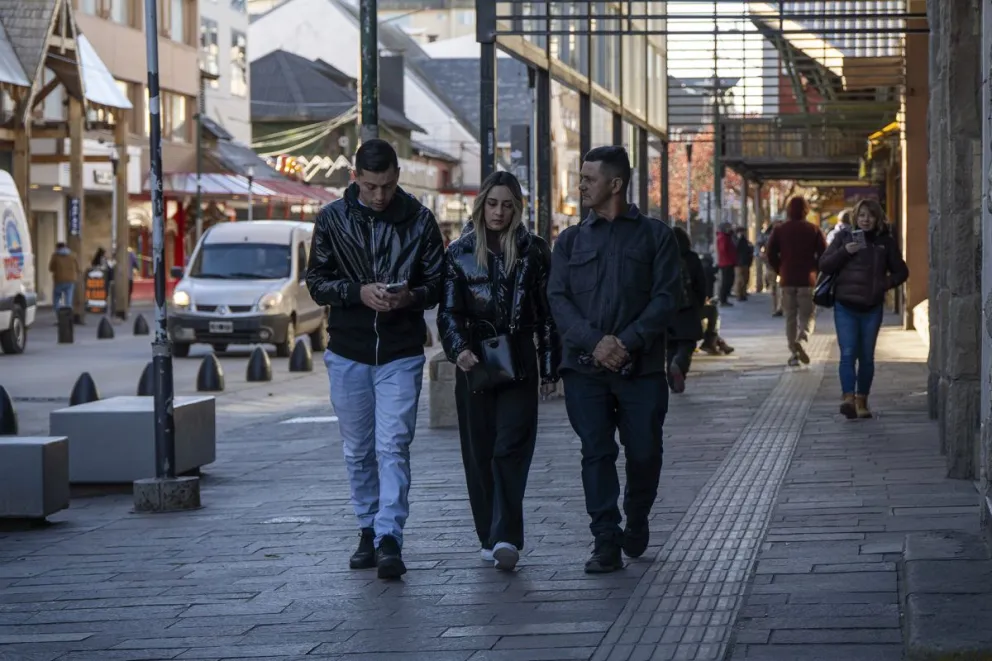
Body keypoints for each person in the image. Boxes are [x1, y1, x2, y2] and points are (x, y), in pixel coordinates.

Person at [306, 139, 445, 580]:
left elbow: (439, 283)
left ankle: (389, 536)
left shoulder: (421, 220)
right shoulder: (331, 218)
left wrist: (411, 296)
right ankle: (367, 527)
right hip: (348, 350)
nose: (379, 195)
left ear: (398, 176)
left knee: (393, 445)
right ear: (354, 179)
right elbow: (316, 281)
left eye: (386, 185)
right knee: (358, 449)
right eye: (370, 187)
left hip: (401, 352)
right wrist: (356, 292)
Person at [547, 146, 682, 573]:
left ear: (616, 184)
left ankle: (637, 514)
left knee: (644, 452)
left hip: (640, 369)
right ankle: (604, 538)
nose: (581, 185)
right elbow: (558, 299)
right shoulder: (569, 242)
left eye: (589, 178)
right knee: (596, 451)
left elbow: (666, 298)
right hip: (584, 369)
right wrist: (595, 343)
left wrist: (625, 342)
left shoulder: (656, 236)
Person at [436, 171, 560, 571]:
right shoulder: (458, 252)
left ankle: (506, 535)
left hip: (519, 358)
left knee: (511, 448)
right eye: (493, 203)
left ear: (517, 208)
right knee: (479, 452)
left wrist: (548, 369)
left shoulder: (534, 251)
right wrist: (459, 351)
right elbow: (448, 312)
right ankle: (489, 534)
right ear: (481, 204)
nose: (499, 212)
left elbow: (547, 317)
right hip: (476, 361)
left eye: (508, 204)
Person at [819, 199, 908, 419]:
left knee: (866, 356)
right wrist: (844, 252)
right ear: (855, 218)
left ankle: (862, 400)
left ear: (877, 218)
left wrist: (883, 284)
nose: (866, 220)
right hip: (845, 305)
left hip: (871, 307)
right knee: (848, 353)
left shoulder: (885, 242)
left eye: (870, 216)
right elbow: (824, 265)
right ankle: (848, 398)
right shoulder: (843, 238)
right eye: (861, 216)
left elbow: (901, 272)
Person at [765, 196, 826, 367]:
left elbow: (770, 254)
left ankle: (793, 354)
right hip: (807, 280)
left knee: (790, 318)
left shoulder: (779, 230)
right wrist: (816, 269)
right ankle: (803, 340)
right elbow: (824, 255)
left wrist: (780, 269)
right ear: (806, 210)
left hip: (787, 279)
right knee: (808, 316)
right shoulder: (813, 229)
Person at [666, 226, 706, 393]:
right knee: (687, 344)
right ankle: (680, 364)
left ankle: (672, 379)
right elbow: (701, 284)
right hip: (688, 308)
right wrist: (700, 302)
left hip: (668, 310)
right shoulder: (692, 258)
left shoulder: (664, 258)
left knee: (670, 347)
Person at [49, 242, 78, 311]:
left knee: (56, 298)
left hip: (59, 279)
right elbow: (77, 267)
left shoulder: (55, 256)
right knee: (68, 299)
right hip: (71, 279)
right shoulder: (72, 255)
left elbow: (51, 268)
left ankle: (58, 315)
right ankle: (68, 316)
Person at [715, 222, 737, 306]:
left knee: (729, 280)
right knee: (726, 281)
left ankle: (724, 297)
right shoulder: (723, 237)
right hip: (726, 262)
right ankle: (722, 299)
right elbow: (723, 249)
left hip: (728, 261)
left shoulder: (727, 237)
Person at [734, 226, 753, 302]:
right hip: (739, 262)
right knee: (740, 279)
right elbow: (736, 248)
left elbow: (748, 250)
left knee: (745, 279)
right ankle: (739, 294)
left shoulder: (745, 240)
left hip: (745, 261)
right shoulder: (736, 239)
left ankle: (743, 293)